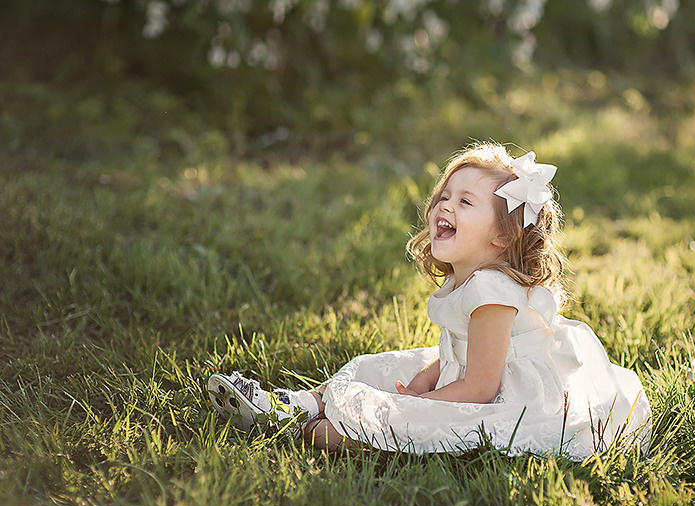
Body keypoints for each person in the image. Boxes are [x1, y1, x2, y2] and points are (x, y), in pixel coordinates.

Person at [208, 142, 651, 458]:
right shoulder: (469, 280)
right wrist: (426, 378)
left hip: (510, 405)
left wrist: (417, 404)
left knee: (395, 423)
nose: (446, 206)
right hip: (477, 381)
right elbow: (461, 354)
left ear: (500, 235)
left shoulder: (493, 294)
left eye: (465, 201)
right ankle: (287, 404)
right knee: (371, 369)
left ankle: (300, 428)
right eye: (444, 196)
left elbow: (481, 387)